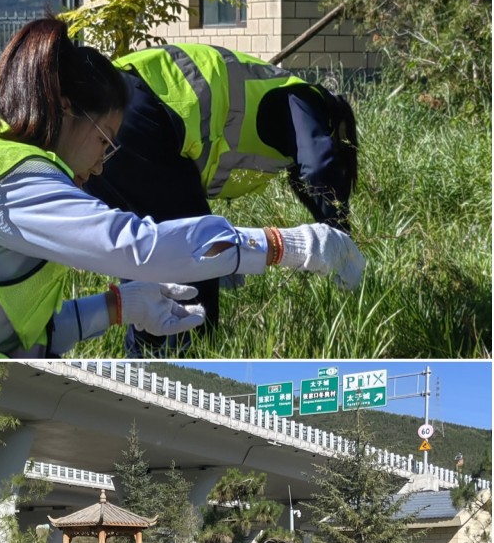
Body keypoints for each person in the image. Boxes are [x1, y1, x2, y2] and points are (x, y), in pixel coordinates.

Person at [0, 17, 365, 359]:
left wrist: (118, 306)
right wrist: (298, 246)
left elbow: (28, 338)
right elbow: (145, 247)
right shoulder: (20, 184)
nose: (105, 164)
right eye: (105, 140)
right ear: (66, 111)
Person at [84, 42, 359, 352]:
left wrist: (228, 256)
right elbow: (320, 166)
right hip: (137, 111)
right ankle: (188, 354)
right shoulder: (305, 98)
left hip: (101, 116)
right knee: (193, 252)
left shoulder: (275, 102)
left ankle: (147, 354)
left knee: (143, 256)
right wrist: (340, 236)